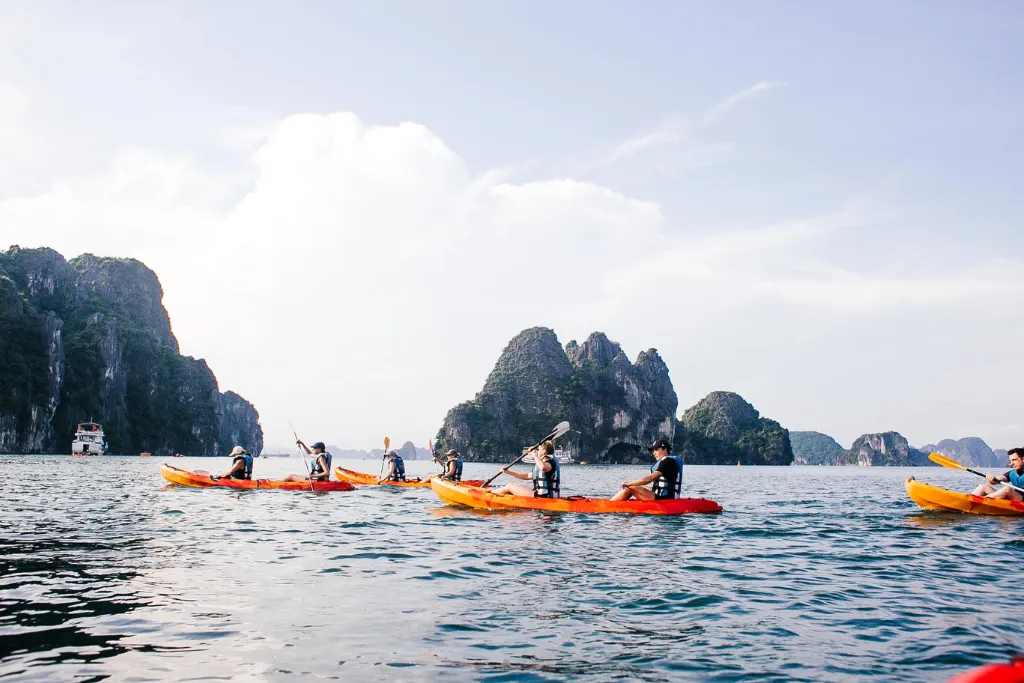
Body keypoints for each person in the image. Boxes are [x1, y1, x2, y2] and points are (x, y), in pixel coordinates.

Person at [611, 439, 682, 501]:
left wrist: (629, 484)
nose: (654, 453)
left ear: (665, 450)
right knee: (639, 486)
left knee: (631, 488)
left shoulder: (667, 462)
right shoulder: (669, 461)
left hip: (663, 498)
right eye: (653, 450)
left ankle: (610, 504)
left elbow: (649, 479)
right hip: (665, 495)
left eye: (656, 450)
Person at [491, 440, 559, 498]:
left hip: (543, 497)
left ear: (544, 451)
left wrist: (534, 454)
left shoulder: (549, 462)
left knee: (510, 486)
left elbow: (544, 467)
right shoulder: (544, 462)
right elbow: (527, 476)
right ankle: (493, 494)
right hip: (546, 495)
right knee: (512, 487)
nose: (537, 451)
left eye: (538, 450)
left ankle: (490, 495)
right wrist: (509, 472)